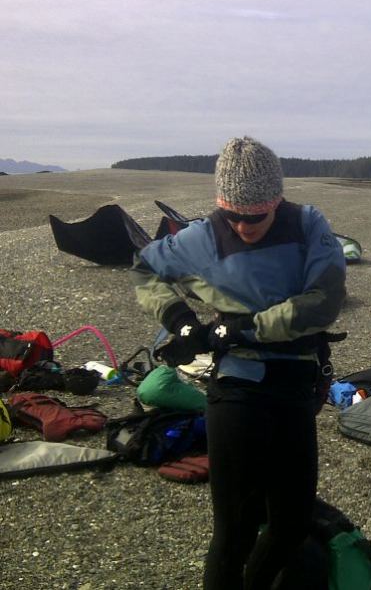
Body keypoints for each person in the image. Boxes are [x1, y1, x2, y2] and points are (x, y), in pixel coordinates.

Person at [131, 136, 346, 589]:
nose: (244, 227)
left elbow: (324, 301)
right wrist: (180, 321)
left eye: (256, 217)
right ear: (219, 206)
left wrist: (249, 326)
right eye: (233, 216)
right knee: (234, 532)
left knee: (290, 526)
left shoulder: (307, 225)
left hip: (293, 384)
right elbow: (145, 268)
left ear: (277, 202)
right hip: (235, 388)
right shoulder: (202, 236)